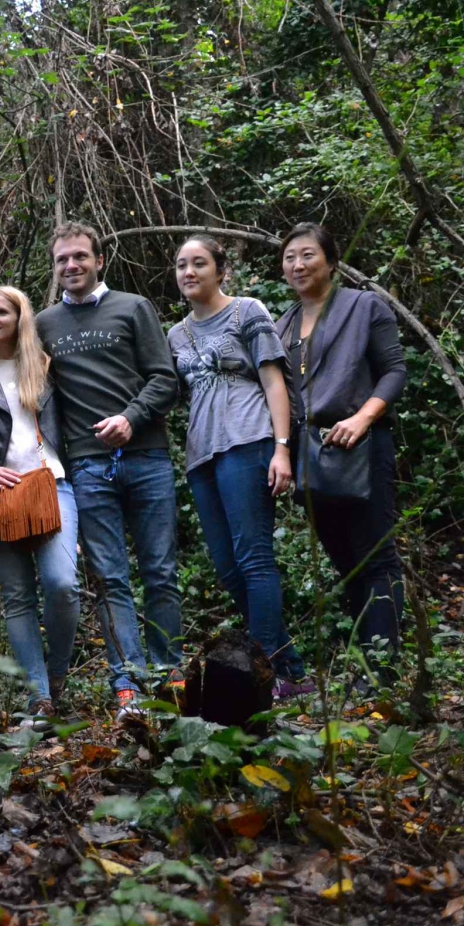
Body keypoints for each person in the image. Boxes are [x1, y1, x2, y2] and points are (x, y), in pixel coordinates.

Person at [35, 222, 182, 714]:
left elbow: (165, 378)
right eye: (62, 259)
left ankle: (169, 676)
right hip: (88, 465)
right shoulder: (44, 324)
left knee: (160, 571)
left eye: (80, 256)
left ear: (99, 260)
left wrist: (130, 418)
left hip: (148, 456)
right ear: (54, 268)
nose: (71, 265)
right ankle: (128, 685)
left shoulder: (133, 307)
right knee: (110, 579)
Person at [166, 235, 311, 697]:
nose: (189, 272)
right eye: (182, 265)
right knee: (228, 569)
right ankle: (287, 671)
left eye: (199, 263)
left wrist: (282, 448)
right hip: (201, 456)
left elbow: (274, 383)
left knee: (254, 559)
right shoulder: (175, 335)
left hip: (248, 441)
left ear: (220, 270)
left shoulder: (247, 311)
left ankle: (260, 679)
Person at [275, 222, 408, 678]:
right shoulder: (283, 324)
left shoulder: (363, 305)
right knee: (346, 562)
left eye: (308, 255)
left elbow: (394, 371)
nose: (298, 265)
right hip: (310, 454)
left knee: (376, 557)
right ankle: (365, 666)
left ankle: (383, 671)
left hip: (361, 444)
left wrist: (362, 418)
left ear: (331, 262)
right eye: (290, 257)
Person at [0, 286, 79, 717]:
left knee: (62, 584)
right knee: (17, 597)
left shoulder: (45, 366)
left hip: (52, 483)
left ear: (19, 319)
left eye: (2, 313)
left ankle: (57, 674)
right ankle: (39, 697)